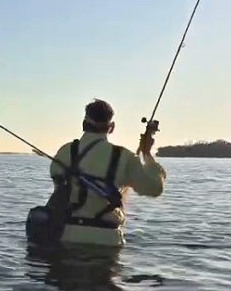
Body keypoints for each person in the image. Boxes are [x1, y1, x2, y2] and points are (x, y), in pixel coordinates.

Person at [26, 99, 166, 247]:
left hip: (65, 237)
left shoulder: (65, 152)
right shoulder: (124, 157)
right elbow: (155, 189)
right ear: (111, 127)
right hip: (106, 242)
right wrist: (147, 153)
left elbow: (60, 187)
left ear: (83, 124)